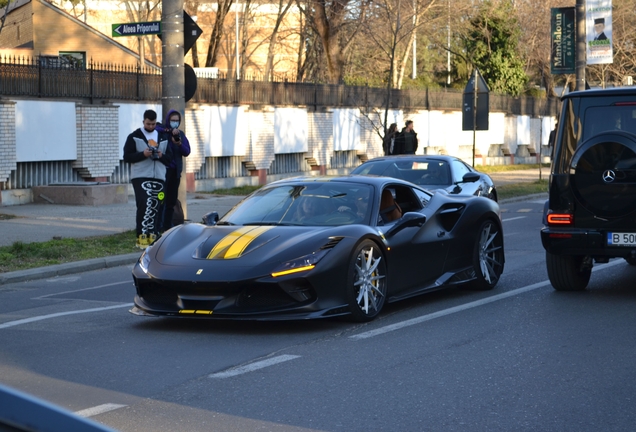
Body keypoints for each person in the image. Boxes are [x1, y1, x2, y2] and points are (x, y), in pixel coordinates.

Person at [123, 109, 173, 248]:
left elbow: (170, 160)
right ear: (143, 122)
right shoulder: (134, 136)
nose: (150, 126)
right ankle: (141, 237)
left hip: (159, 177)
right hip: (140, 176)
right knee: (144, 203)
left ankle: (154, 235)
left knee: (158, 204)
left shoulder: (163, 137)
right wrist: (142, 154)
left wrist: (162, 155)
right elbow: (127, 156)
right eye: (148, 124)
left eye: (152, 124)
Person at [156, 109, 191, 232]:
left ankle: (167, 225)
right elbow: (156, 128)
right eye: (172, 120)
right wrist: (169, 131)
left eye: (177, 121)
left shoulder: (180, 134)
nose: (175, 123)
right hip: (164, 172)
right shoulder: (163, 132)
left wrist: (179, 144)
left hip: (175, 172)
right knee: (161, 199)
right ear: (168, 120)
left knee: (171, 200)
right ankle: (158, 225)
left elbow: (187, 151)